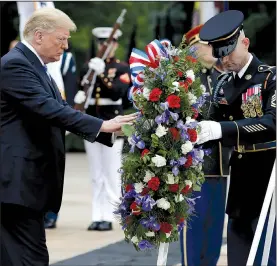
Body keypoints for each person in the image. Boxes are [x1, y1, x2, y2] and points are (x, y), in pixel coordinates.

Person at [0, 8, 137, 266]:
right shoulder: (16, 64)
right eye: (60, 39)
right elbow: (48, 109)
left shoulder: (35, 66)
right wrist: (103, 126)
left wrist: (104, 127)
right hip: (15, 184)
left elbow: (60, 109)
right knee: (31, 258)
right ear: (39, 36)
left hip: (25, 185)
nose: (65, 45)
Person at [198, 10, 276, 266]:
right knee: (239, 255)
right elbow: (208, 124)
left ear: (245, 42)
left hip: (269, 178)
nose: (225, 60)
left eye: (229, 51)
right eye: (220, 54)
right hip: (241, 183)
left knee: (268, 253)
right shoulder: (223, 85)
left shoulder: (270, 78)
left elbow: (271, 124)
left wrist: (220, 129)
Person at [179, 24, 231, 266]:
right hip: (195, 167)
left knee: (213, 230)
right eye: (210, 45)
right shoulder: (184, 79)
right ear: (193, 46)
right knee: (194, 230)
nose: (215, 49)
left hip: (221, 166)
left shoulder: (218, 77)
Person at [74, 27, 131, 231]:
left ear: (115, 44)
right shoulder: (88, 68)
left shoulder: (122, 68)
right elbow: (81, 91)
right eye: (101, 43)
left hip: (113, 123)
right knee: (96, 173)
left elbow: (118, 92)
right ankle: (97, 214)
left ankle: (110, 215)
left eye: (108, 43)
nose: (104, 47)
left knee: (111, 171)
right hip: (92, 122)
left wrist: (102, 75)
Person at [44, 41, 79, 229]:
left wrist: (70, 118)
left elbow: (70, 89)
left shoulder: (64, 60)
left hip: (58, 118)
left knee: (53, 167)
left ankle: (50, 213)